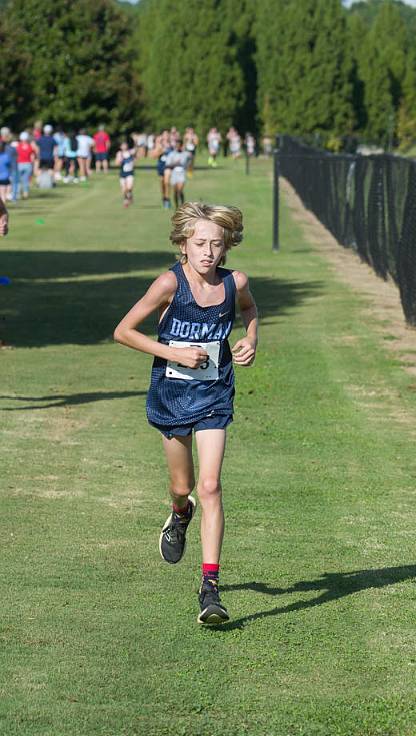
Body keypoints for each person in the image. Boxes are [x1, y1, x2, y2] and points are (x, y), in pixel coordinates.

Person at [113, 203, 259, 625]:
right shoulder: (168, 284)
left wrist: (251, 337)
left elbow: (249, 310)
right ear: (183, 245)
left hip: (215, 391)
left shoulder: (235, 283)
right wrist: (171, 351)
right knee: (185, 485)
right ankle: (179, 513)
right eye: (199, 244)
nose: (208, 252)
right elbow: (123, 331)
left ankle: (210, 588)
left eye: (216, 244)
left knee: (211, 485)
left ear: (227, 246)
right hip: (172, 394)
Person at [117, 139, 136, 207]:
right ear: (120, 147)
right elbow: (117, 163)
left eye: (125, 145)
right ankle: (126, 200)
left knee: (129, 187)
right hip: (122, 173)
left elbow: (135, 157)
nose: (124, 146)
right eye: (123, 145)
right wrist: (120, 161)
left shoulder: (130, 152)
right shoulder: (120, 153)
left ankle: (129, 195)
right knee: (123, 189)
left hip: (130, 173)